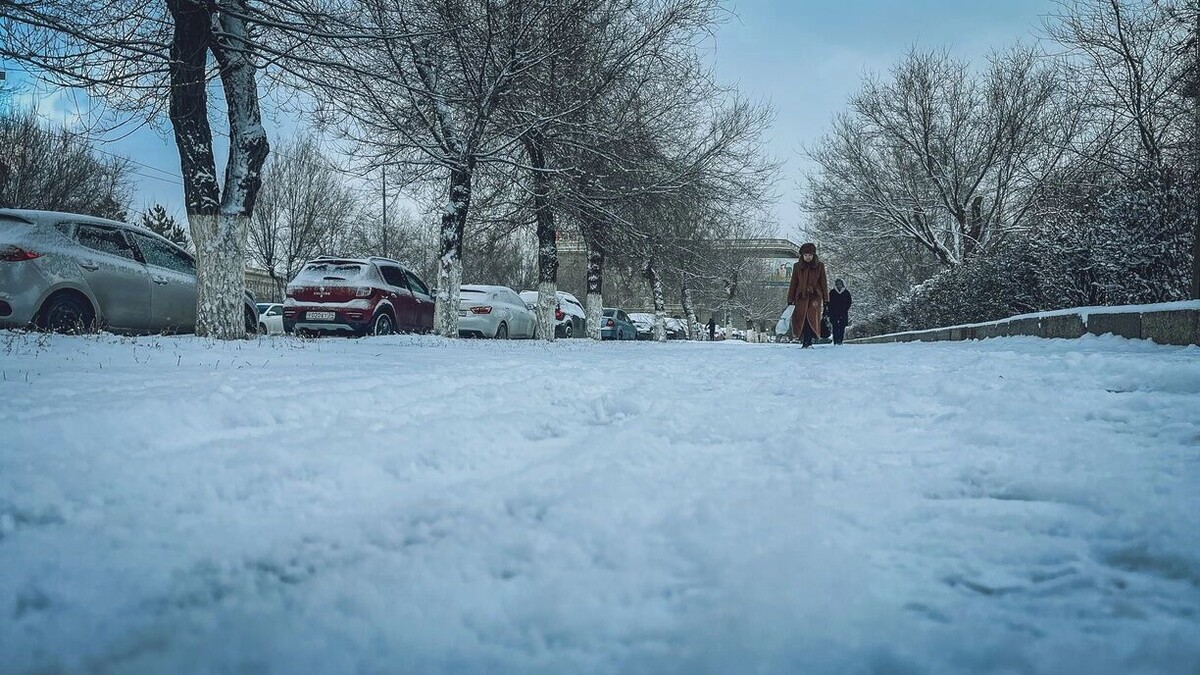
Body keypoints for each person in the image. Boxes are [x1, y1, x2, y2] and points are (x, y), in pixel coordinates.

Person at [786, 242, 829, 348]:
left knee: (811, 318)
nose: (808, 257)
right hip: (801, 297)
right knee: (802, 318)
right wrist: (790, 298)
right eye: (806, 255)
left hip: (815, 297)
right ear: (802, 255)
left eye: (810, 255)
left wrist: (826, 299)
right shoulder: (797, 266)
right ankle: (805, 340)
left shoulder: (819, 266)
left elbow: (823, 283)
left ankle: (808, 341)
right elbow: (794, 283)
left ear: (814, 255)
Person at [827, 278, 852, 345]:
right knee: (835, 327)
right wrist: (829, 312)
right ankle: (835, 340)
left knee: (842, 327)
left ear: (842, 284)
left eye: (840, 284)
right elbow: (828, 303)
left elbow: (849, 302)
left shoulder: (846, 292)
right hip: (834, 313)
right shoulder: (832, 292)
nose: (839, 286)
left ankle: (840, 340)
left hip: (843, 313)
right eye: (837, 284)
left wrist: (845, 308)